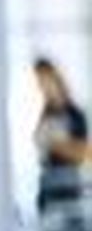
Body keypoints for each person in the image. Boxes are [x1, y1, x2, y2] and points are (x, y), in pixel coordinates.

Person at [34, 57, 89, 215]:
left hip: (68, 192)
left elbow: (85, 154)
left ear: (56, 78)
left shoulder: (75, 114)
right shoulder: (46, 113)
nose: (42, 87)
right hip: (47, 190)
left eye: (45, 81)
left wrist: (55, 144)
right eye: (39, 83)